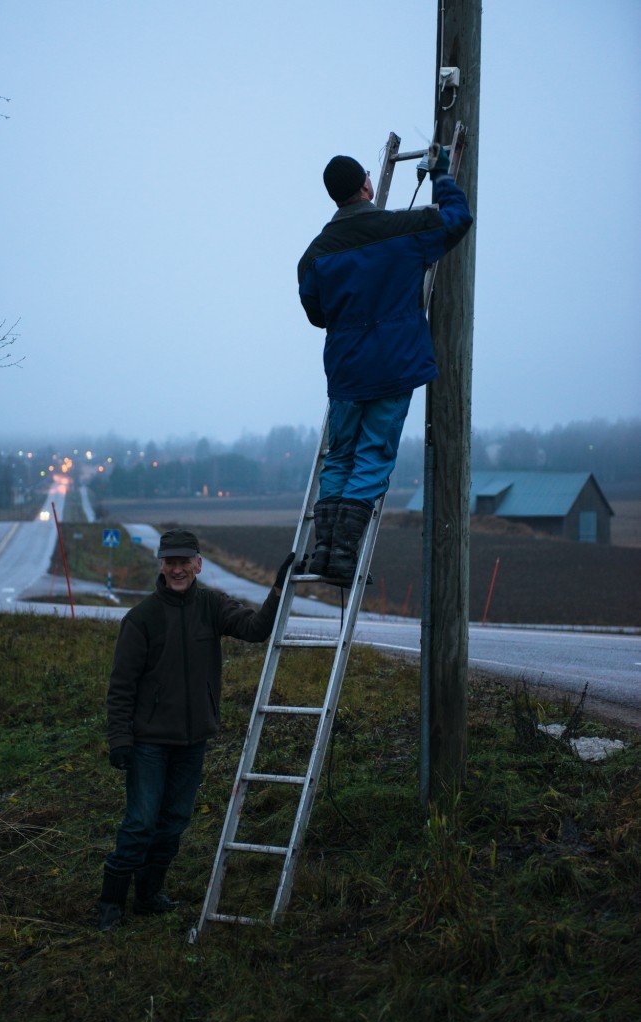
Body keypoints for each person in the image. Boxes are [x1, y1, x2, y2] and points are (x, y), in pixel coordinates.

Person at [97, 528, 294, 931]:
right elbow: (121, 687)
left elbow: (255, 629)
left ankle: (149, 896)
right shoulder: (141, 618)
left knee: (173, 823)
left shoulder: (212, 605)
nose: (177, 569)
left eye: (184, 561)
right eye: (170, 562)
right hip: (149, 743)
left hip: (192, 741)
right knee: (140, 823)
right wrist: (119, 740)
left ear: (198, 564)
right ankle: (110, 904)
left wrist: (278, 588)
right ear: (161, 566)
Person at [297, 147, 473, 582]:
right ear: (367, 185)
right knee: (373, 453)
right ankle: (342, 559)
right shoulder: (403, 229)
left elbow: (317, 314)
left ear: (334, 197)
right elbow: (457, 218)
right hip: (394, 365)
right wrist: (442, 176)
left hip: (345, 372)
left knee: (339, 458)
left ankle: (323, 552)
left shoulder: (314, 255)